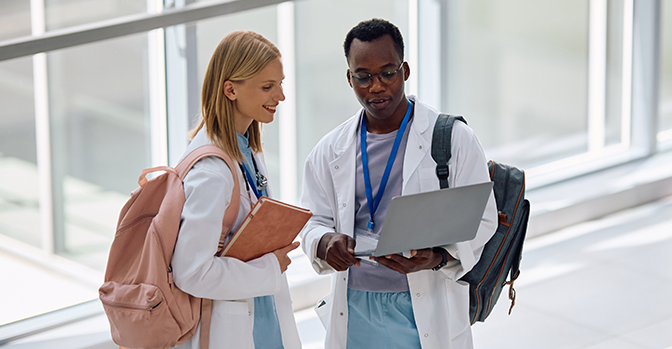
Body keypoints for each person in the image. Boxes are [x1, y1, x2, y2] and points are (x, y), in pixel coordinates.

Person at [299, 18, 498, 348]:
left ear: (404, 71)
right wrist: (324, 242)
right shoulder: (330, 149)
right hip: (354, 307)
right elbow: (311, 220)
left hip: (425, 304)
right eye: (363, 77)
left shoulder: (453, 138)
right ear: (350, 79)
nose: (376, 86)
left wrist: (436, 258)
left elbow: (483, 219)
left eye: (387, 73)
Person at [171, 30, 302, 349]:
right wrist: (270, 268)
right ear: (230, 89)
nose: (280, 97)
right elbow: (191, 272)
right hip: (232, 330)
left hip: (262, 321)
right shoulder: (212, 171)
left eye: (280, 83)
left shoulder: (248, 150)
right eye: (268, 87)